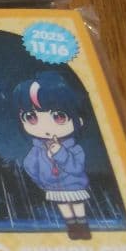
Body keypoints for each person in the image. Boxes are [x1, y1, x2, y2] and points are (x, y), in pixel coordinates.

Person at [13, 71, 92, 240]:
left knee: (77, 205)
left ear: (79, 120)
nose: (45, 127)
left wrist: (60, 153)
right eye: (31, 117)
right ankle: (72, 227)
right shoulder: (37, 150)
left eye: (59, 116)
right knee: (64, 205)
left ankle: (82, 225)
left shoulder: (74, 148)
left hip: (74, 186)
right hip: (53, 187)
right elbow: (30, 167)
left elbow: (77, 168)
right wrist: (42, 181)